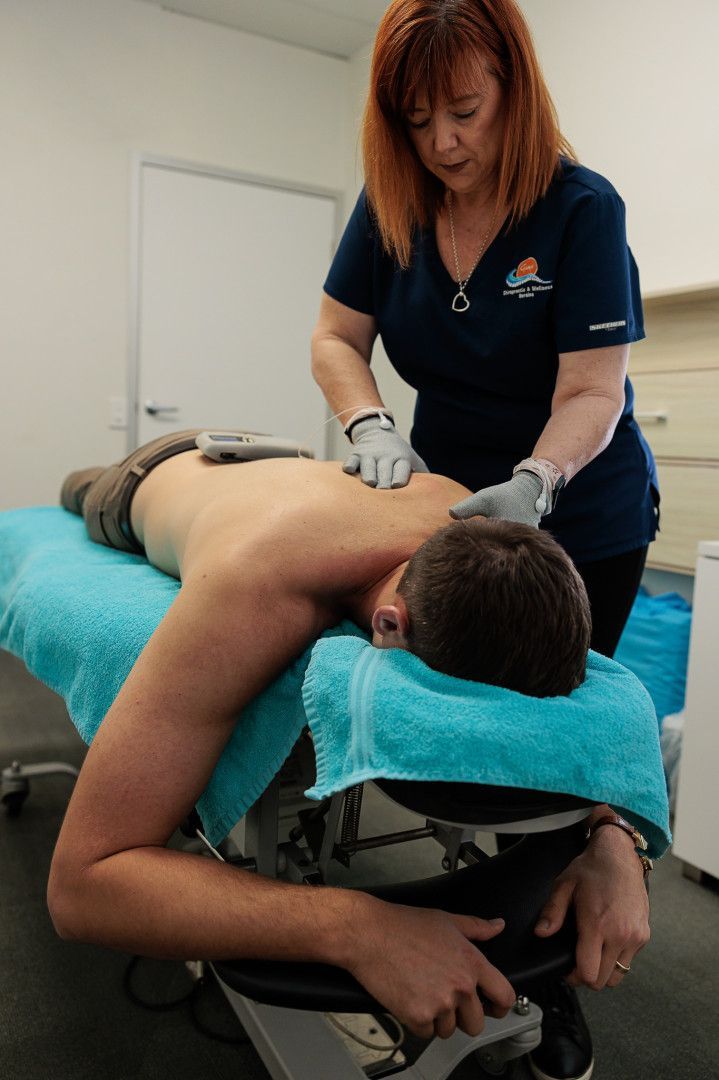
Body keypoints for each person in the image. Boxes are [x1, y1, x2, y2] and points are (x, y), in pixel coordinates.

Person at [311, 2, 658, 1074]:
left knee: (548, 767)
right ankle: (417, 929)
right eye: (416, 122)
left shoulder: (577, 210)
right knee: (448, 725)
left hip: (576, 517)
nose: (443, 143)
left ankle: (547, 993)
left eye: (463, 111)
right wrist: (367, 421)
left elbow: (594, 390)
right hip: (443, 507)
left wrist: (537, 482)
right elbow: (334, 336)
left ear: (512, 89)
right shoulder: (392, 204)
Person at [48, 433, 650, 1046]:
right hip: (152, 472)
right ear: (389, 626)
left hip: (286, 465)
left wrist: (615, 835)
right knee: (78, 487)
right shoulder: (257, 583)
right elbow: (83, 886)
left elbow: (550, 713)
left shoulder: (488, 538)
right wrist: (356, 925)